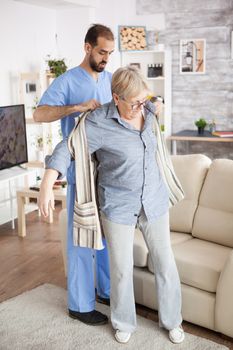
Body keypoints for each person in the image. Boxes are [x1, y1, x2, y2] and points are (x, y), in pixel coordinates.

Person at [38, 66, 185, 344]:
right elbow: (68, 147)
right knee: (120, 268)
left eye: (144, 101)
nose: (140, 107)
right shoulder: (98, 122)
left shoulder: (148, 111)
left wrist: (153, 104)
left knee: (165, 263)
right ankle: (123, 322)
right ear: (116, 97)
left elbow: (153, 105)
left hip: (153, 200)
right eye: (134, 103)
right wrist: (47, 181)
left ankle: (173, 321)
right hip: (118, 205)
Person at [33, 24, 115, 325]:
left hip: (106, 169)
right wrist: (76, 107)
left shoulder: (110, 80)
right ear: (87, 47)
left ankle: (105, 290)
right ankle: (79, 304)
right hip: (79, 167)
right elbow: (39, 114)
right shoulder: (68, 81)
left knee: (105, 232)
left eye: (110, 53)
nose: (106, 58)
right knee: (82, 233)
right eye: (102, 52)